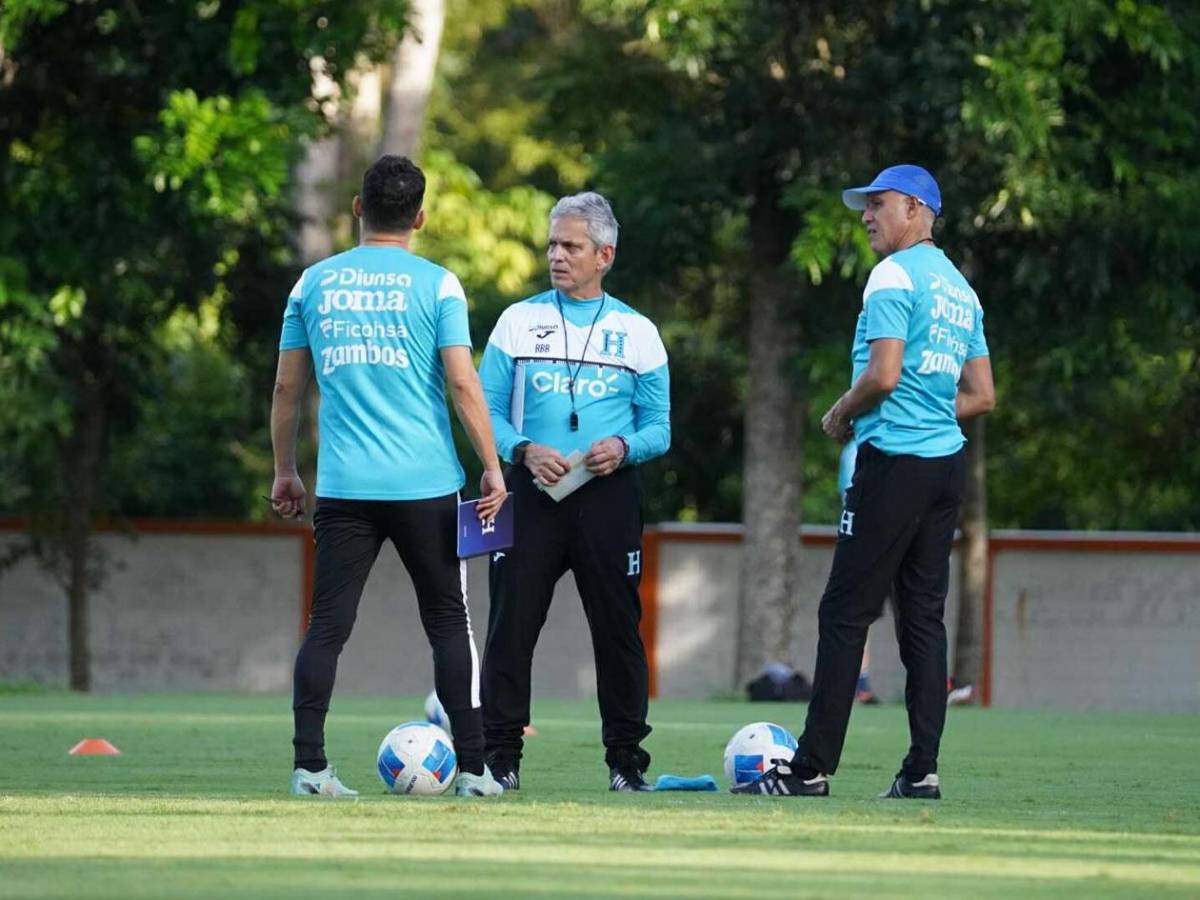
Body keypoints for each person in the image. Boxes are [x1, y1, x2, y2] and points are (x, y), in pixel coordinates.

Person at [734, 164, 994, 800]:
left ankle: (810, 768)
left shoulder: (893, 275)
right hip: (944, 468)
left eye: (877, 204)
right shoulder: (961, 289)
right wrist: (930, 411)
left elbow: (882, 374)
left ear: (913, 208)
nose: (866, 216)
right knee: (923, 622)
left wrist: (840, 412)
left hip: (893, 463)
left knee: (845, 613)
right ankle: (921, 771)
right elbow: (982, 395)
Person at [270, 155, 508, 798]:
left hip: (345, 489)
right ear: (420, 218)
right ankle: (477, 772)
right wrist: (491, 467)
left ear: (357, 208)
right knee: (447, 621)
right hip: (427, 486)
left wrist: (286, 470)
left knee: (326, 626)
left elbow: (289, 385)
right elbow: (462, 381)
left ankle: (310, 768)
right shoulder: (439, 285)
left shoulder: (311, 283)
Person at [478, 191, 671, 792]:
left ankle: (625, 764)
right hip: (531, 495)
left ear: (604, 255)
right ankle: (500, 761)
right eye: (552, 244)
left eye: (571, 246)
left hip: (608, 497)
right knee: (511, 627)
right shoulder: (516, 320)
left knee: (617, 629)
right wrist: (522, 450)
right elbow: (484, 409)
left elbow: (660, 426)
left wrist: (624, 447)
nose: (556, 256)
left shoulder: (637, 332)